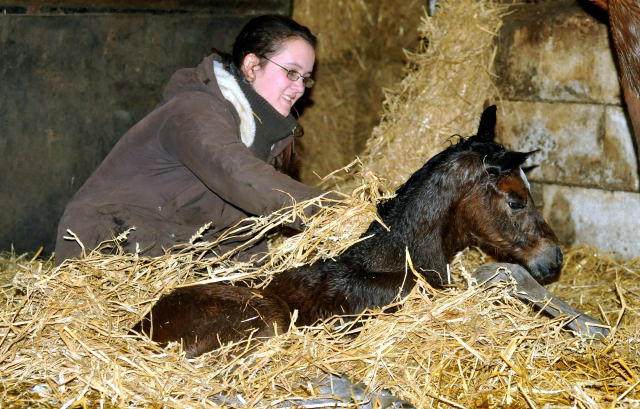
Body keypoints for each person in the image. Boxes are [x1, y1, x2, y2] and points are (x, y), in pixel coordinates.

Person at [54, 14, 327, 264]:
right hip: (107, 250)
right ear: (252, 65)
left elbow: (239, 231)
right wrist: (335, 214)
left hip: (170, 251)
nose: (300, 88)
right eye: (291, 72)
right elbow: (239, 176)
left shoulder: (266, 138)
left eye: (305, 78)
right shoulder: (194, 112)